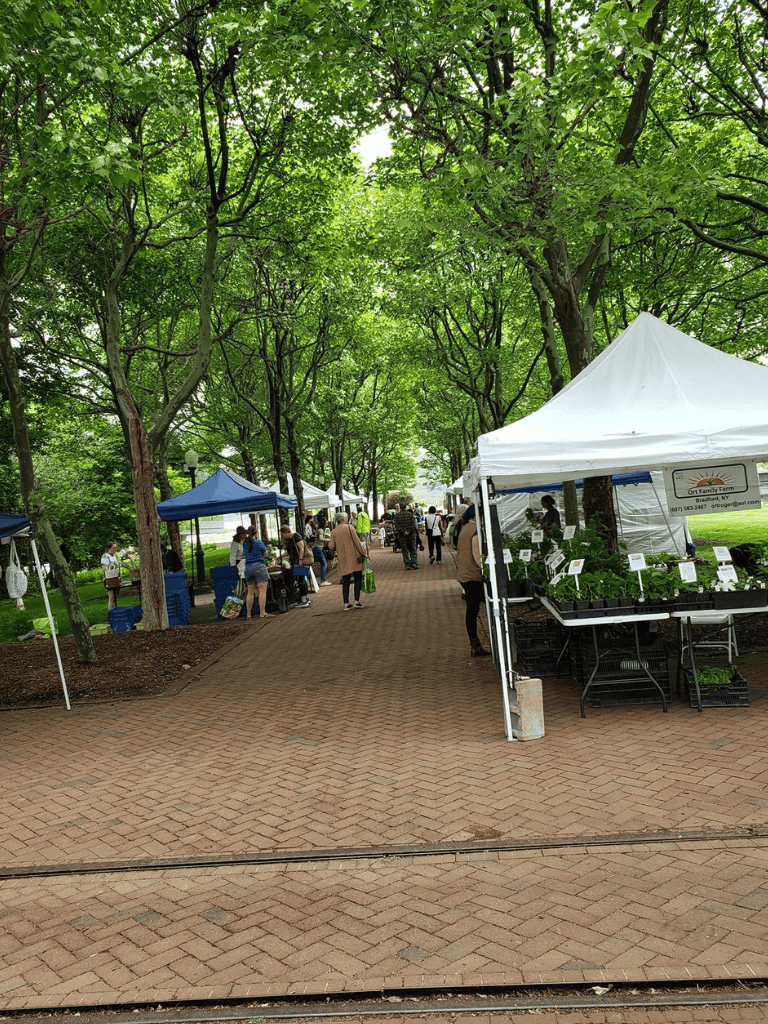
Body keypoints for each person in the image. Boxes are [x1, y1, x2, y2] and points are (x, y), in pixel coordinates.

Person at [455, 507, 490, 657]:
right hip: (473, 576)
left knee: (472, 610)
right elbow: (477, 557)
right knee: (490, 605)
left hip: (464, 575)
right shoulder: (474, 531)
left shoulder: (465, 528)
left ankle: (475, 644)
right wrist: (488, 570)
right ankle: (479, 644)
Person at [327, 512, 368, 609]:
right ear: (343, 519)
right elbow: (357, 542)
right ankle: (357, 601)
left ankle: (346, 603)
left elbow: (331, 546)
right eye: (346, 517)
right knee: (357, 579)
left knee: (346, 581)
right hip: (354, 558)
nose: (347, 518)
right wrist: (364, 553)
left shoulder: (334, 532)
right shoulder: (350, 528)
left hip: (343, 559)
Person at [243, 526, 272, 619]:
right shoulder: (259, 542)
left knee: (250, 592)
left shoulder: (244, 543)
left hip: (248, 568)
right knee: (262, 590)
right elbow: (266, 554)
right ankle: (262, 613)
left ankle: (248, 614)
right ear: (256, 533)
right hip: (259, 566)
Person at [279, 524, 311, 608]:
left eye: (282, 534)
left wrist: (300, 560)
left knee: (300, 580)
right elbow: (289, 551)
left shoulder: (296, 536)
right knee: (300, 580)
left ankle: (304, 600)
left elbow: (302, 547)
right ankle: (305, 598)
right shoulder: (290, 540)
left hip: (300, 562)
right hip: (296, 561)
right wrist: (279, 556)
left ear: (285, 532)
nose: (282, 536)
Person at [394, 502, 419, 570]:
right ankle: (414, 563)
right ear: (405, 507)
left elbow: (397, 525)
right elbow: (413, 525)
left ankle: (407, 564)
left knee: (405, 551)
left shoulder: (397, 516)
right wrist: (408, 531)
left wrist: (403, 531)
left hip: (402, 536)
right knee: (413, 550)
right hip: (411, 535)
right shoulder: (410, 515)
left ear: (400, 508)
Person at [101, 541, 125, 611]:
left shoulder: (114, 556)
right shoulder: (105, 556)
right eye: (114, 548)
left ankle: (115, 612)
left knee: (115, 597)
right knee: (111, 597)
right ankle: (111, 613)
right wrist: (111, 577)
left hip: (117, 578)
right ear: (109, 548)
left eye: (116, 548)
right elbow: (105, 568)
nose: (116, 549)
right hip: (110, 580)